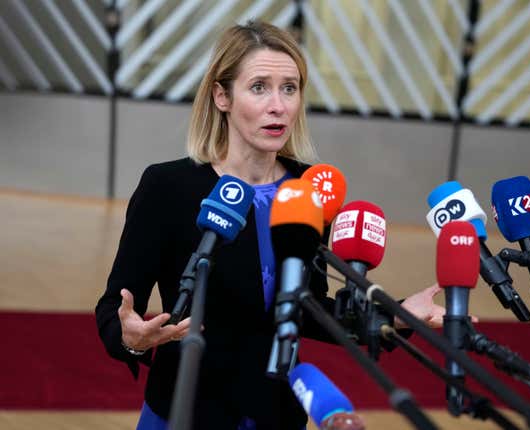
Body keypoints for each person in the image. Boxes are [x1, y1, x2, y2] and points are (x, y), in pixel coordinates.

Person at [95, 20, 445, 430]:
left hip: (275, 410)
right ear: (222, 95)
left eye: (289, 88)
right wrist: (131, 341)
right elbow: (113, 309)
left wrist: (397, 313)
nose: (278, 105)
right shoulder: (168, 186)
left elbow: (306, 310)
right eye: (259, 87)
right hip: (187, 410)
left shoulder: (309, 189)